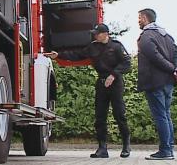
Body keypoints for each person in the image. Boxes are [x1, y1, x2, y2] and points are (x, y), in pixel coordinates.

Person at [45, 23, 132, 158]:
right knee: (100, 117)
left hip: (115, 83)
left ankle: (126, 145)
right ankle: (102, 148)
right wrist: (58, 56)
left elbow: (127, 64)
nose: (95, 35)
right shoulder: (93, 47)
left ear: (105, 34)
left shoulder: (116, 46)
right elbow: (77, 55)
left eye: (97, 33)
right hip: (101, 83)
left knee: (119, 114)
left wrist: (113, 74)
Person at [136, 8, 177, 161]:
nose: (138, 21)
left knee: (161, 115)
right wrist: (175, 69)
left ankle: (165, 151)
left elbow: (154, 56)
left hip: (154, 81)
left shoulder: (146, 37)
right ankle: (169, 148)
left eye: (139, 18)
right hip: (168, 81)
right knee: (166, 114)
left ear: (145, 18)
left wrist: (172, 69)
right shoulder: (166, 35)